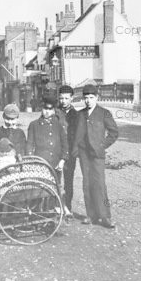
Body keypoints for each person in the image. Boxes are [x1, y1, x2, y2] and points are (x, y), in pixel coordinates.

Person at [71, 84, 118, 229]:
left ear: (96, 98)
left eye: (91, 98)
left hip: (97, 154)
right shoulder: (80, 114)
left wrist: (102, 146)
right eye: (86, 98)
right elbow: (76, 134)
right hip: (84, 154)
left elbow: (114, 133)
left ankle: (105, 217)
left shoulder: (104, 113)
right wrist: (76, 150)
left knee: (99, 184)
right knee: (87, 184)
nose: (88, 101)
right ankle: (90, 215)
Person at [26, 95, 70, 215]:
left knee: (55, 187)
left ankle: (55, 210)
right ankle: (40, 213)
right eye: (45, 109)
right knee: (40, 189)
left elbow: (65, 144)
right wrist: (32, 161)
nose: (47, 112)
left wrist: (63, 160)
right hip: (41, 163)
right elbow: (29, 144)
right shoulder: (34, 125)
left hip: (55, 163)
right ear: (41, 109)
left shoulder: (59, 125)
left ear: (54, 110)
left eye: (50, 110)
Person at [57, 85, 79, 215]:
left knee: (68, 181)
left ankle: (68, 207)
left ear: (72, 98)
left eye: (66, 98)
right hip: (56, 152)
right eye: (61, 98)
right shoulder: (54, 112)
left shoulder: (76, 115)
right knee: (55, 180)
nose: (63, 101)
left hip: (70, 153)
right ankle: (56, 206)